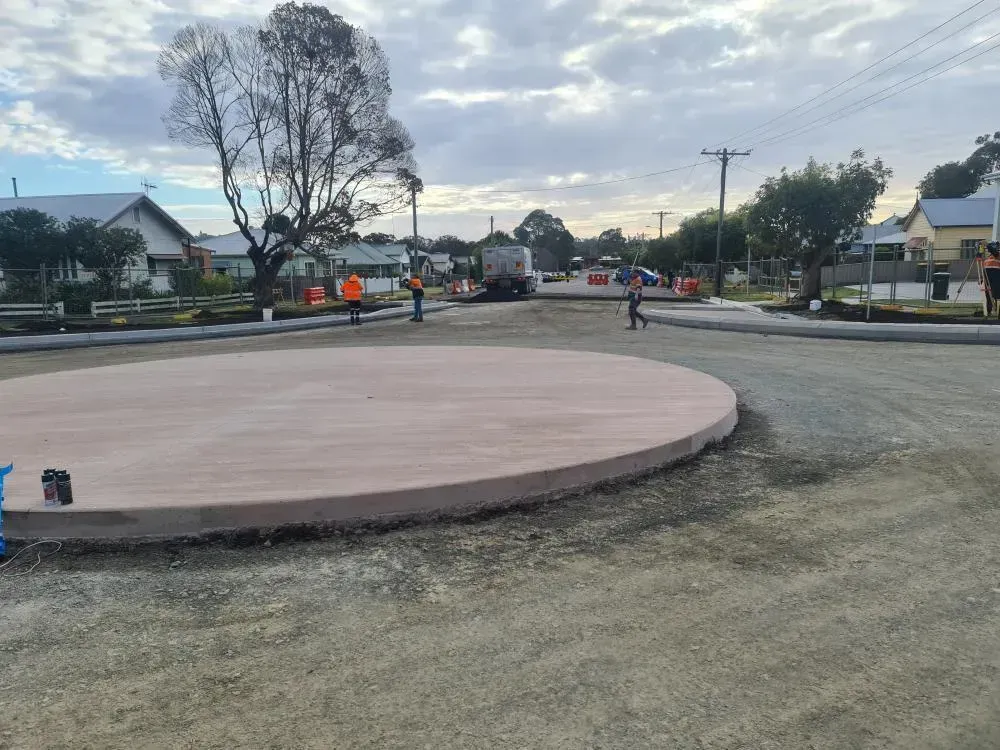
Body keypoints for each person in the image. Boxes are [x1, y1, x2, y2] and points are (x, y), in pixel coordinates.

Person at [984, 243, 1000, 316]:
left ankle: (997, 310)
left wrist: (986, 244)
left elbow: (993, 250)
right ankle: (989, 311)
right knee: (988, 294)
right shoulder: (988, 257)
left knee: (996, 294)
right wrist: (982, 278)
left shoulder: (997, 254)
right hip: (987, 277)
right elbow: (984, 268)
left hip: (996, 275)